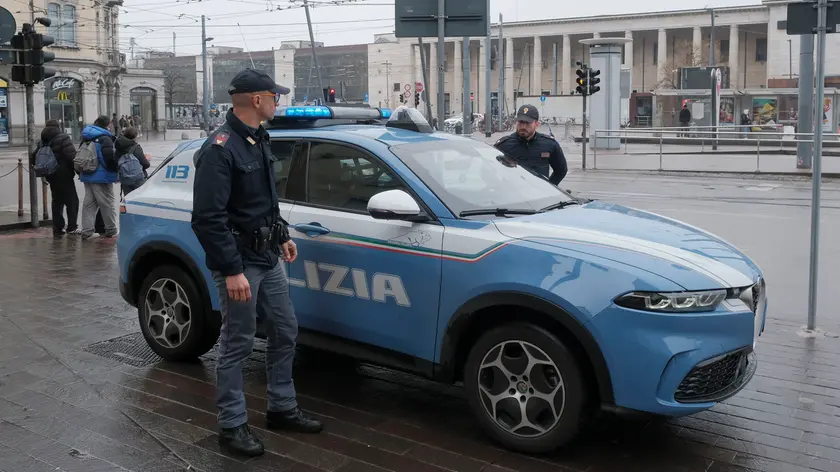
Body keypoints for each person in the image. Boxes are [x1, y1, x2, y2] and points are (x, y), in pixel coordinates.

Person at [191, 69, 323, 458]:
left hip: (267, 257)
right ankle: (232, 426)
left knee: (285, 330)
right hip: (240, 264)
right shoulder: (220, 148)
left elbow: (265, 200)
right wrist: (231, 270)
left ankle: (282, 407)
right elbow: (208, 219)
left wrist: (281, 234)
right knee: (237, 342)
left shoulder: (257, 139)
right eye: (274, 95)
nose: (277, 101)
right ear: (255, 99)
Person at [494, 104, 568, 185]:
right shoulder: (504, 145)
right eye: (521, 122)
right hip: (513, 194)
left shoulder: (549, 144)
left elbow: (561, 170)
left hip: (539, 194)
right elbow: (490, 169)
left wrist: (549, 187)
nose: (523, 126)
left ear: (537, 124)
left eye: (527, 123)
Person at [35, 119, 80, 237]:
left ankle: (58, 227)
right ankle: (72, 227)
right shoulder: (63, 138)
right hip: (64, 174)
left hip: (50, 174)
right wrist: (77, 171)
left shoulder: (42, 140)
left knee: (57, 201)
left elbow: (34, 156)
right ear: (58, 126)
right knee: (72, 201)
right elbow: (71, 156)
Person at [79, 115, 119, 239]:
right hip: (101, 177)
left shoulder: (86, 136)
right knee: (107, 202)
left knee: (89, 203)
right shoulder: (105, 138)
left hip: (87, 173)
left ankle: (87, 231)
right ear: (108, 125)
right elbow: (108, 159)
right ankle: (111, 229)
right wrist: (115, 170)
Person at [115, 127, 151, 195]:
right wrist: (147, 159)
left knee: (128, 199)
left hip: (125, 178)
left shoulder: (118, 147)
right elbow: (146, 164)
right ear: (134, 137)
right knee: (140, 198)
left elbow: (116, 162)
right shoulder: (136, 147)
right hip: (138, 179)